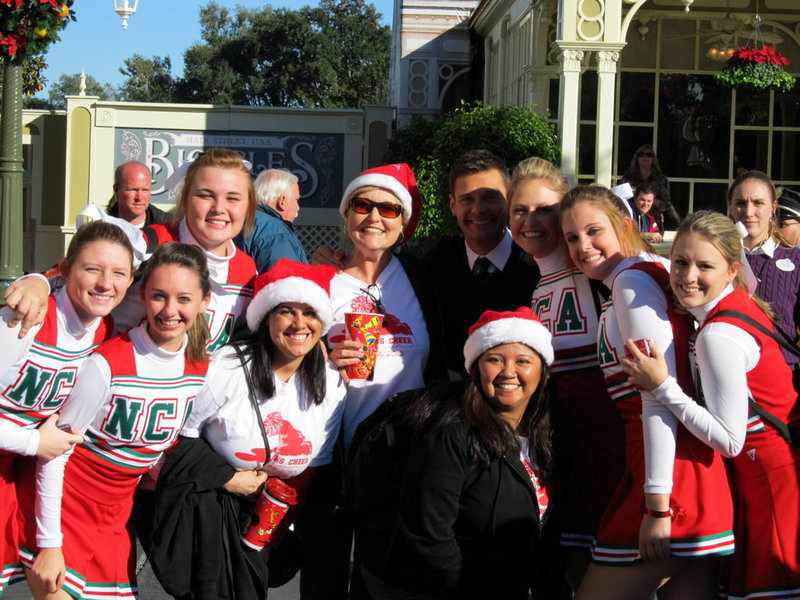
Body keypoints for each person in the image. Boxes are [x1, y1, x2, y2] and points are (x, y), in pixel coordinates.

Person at [560, 186, 734, 600]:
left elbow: (657, 394)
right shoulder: (652, 270)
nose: (583, 246)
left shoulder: (631, 284)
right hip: (683, 469)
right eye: (571, 238)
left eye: (593, 231)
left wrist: (658, 505)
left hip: (670, 481)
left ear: (624, 225)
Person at [621, 210, 800, 600]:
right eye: (681, 262)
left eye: (705, 265)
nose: (687, 276)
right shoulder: (739, 305)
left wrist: (662, 386)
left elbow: (731, 440)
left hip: (770, 481)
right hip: (773, 473)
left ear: (732, 269)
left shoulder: (717, 334)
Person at [21, 242, 211, 600]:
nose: (170, 310)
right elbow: (55, 452)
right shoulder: (107, 362)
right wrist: (49, 543)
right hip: (65, 510)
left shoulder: (201, 368)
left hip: (117, 519)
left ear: (204, 303)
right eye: (158, 296)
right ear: (142, 296)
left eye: (184, 299)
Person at [149, 258, 345, 599]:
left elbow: (313, 468)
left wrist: (275, 527)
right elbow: (176, 439)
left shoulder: (331, 383)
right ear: (266, 317)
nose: (299, 323)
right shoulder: (227, 368)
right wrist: (229, 478)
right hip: (212, 516)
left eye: (310, 312)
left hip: (267, 525)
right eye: (286, 310)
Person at [353, 307, 555, 600]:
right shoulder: (450, 429)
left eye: (523, 361)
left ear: (542, 371)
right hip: (426, 587)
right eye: (495, 359)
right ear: (475, 369)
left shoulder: (549, 430)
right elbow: (427, 532)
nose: (508, 372)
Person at [5, 148, 258, 353]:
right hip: (112, 386)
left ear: (248, 205)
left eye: (233, 198)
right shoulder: (148, 242)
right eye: (205, 195)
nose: (219, 208)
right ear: (185, 199)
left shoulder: (248, 270)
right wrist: (37, 282)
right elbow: (72, 272)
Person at [508, 158, 625, 590]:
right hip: (566, 457)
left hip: (616, 456)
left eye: (545, 209)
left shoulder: (600, 271)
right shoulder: (535, 284)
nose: (531, 220)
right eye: (520, 210)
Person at [0, 221, 134, 596]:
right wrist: (31, 442)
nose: (106, 283)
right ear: (65, 270)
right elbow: (41, 441)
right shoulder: (23, 320)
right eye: (92, 269)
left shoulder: (106, 331)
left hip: (12, 474)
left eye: (119, 272)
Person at [424, 149, 540, 378]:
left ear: (509, 198)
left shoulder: (535, 263)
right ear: (452, 205)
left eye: (490, 197)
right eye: (467, 199)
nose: (478, 209)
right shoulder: (436, 262)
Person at [727, 170, 800, 379]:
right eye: (740, 203)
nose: (748, 212)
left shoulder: (797, 259)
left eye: (758, 203)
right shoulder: (715, 258)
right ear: (731, 208)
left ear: (773, 208)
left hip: (780, 377)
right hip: (726, 371)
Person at [236, 168, 309, 273]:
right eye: (296, 200)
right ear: (282, 201)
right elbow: (287, 283)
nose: (298, 207)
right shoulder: (276, 233)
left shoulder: (241, 219)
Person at [621, 144, 677, 230]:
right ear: (636, 159)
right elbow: (621, 199)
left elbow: (666, 204)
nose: (644, 157)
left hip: (655, 221)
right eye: (641, 154)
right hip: (632, 220)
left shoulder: (660, 179)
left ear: (653, 159)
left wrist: (648, 200)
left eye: (648, 155)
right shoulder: (628, 177)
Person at [106, 162, 171, 228]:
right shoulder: (101, 229)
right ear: (116, 190)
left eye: (145, 190)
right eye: (133, 190)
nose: (139, 197)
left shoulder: (170, 227)